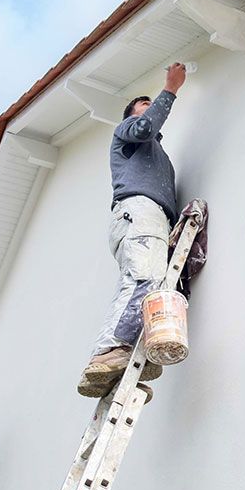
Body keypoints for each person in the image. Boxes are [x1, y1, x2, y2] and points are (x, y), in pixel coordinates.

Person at [78, 62, 186, 398]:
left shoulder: (156, 156)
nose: (149, 108)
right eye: (145, 105)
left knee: (149, 280)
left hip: (147, 217)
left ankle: (115, 373)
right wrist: (169, 90)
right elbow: (143, 128)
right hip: (139, 211)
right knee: (142, 280)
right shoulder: (129, 131)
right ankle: (110, 349)